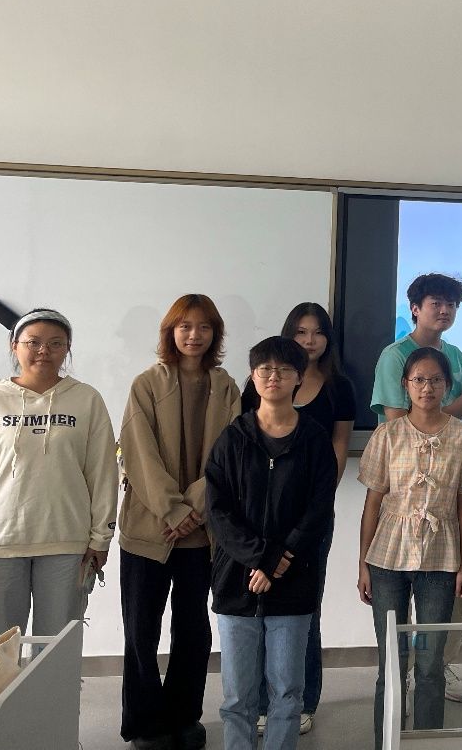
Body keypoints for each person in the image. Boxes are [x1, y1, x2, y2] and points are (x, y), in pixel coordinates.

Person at [0, 308, 117, 656]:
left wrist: (102, 536)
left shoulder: (87, 400)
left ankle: (52, 698)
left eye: (55, 343)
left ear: (67, 349)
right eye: (33, 342)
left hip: (66, 542)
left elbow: (102, 473)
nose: (43, 351)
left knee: (56, 653)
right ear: (14, 346)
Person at [117, 294, 241, 750]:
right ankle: (146, 725)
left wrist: (193, 510)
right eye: (185, 326)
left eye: (204, 327)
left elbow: (229, 456)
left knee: (193, 632)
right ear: (170, 331)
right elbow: (138, 454)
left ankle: (184, 716)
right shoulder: (146, 384)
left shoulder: (226, 387)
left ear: (215, 334)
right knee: (141, 632)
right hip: (148, 530)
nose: (194, 335)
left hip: (201, 535)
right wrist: (174, 510)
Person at [206, 336, 337, 750]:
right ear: (253, 375)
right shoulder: (233, 438)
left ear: (299, 377)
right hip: (238, 580)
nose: (273, 376)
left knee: (287, 693)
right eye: (265, 369)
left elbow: (319, 508)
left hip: (294, 579)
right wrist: (263, 559)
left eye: (284, 369)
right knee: (238, 697)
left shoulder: (314, 439)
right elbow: (218, 511)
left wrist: (280, 560)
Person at [357, 347, 462, 748]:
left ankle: (428, 742)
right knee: (391, 662)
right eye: (418, 380)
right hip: (386, 560)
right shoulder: (387, 435)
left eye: (435, 380)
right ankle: (387, 741)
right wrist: (363, 565)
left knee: (431, 664)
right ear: (405, 384)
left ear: (448, 386)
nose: (426, 387)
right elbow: (373, 503)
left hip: (440, 561)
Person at [370, 272, 462, 702]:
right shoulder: (394, 356)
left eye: (451, 304)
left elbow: (452, 426)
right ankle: (402, 679)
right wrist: (461, 403)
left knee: (451, 599)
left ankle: (438, 666)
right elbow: (404, 423)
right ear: (415, 308)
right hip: (403, 494)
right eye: (435, 302)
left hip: (444, 490)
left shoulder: (455, 355)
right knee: (396, 615)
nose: (444, 310)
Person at [243, 302, 356, 736]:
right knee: (259, 604)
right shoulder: (259, 383)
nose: (310, 340)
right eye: (301, 332)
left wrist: (319, 501)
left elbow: (340, 446)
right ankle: (261, 700)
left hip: (312, 516)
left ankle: (304, 699)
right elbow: (246, 447)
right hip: (261, 515)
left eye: (318, 332)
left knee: (306, 605)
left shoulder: (339, 386)